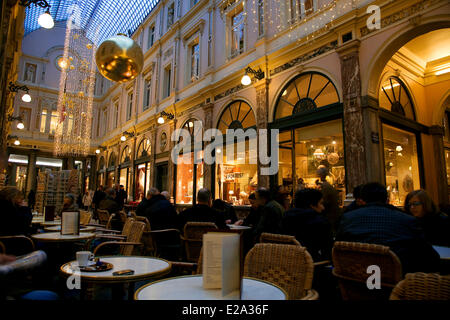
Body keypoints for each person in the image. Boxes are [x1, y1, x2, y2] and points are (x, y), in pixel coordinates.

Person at [336, 182, 440, 274]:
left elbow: (337, 249)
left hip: (355, 279)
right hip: (398, 282)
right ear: (387, 199)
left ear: (362, 200)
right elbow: (430, 256)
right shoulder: (406, 220)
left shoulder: (348, 218)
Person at [281, 188, 333, 261]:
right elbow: (327, 249)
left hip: (287, 262)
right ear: (312, 205)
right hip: (311, 264)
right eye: (321, 203)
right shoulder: (320, 223)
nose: (323, 207)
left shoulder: (285, 218)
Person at [316, 166, 341, 236]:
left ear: (321, 175)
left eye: (318, 173)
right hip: (332, 213)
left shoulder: (324, 186)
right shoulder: (326, 185)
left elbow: (324, 201)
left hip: (330, 215)